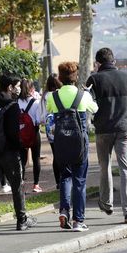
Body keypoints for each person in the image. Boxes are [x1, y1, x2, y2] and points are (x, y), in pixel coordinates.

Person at [86, 48, 127, 224]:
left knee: (105, 166)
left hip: (103, 129)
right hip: (124, 129)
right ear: (113, 61)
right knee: (125, 168)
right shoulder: (126, 78)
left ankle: (107, 203)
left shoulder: (94, 79)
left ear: (98, 63)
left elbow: (88, 104)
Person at [0, 74, 37, 235]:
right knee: (17, 186)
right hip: (9, 152)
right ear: (10, 87)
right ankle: (21, 219)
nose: (19, 88)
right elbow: (13, 133)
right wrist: (20, 148)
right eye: (17, 86)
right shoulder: (12, 105)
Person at [47, 62, 98, 232]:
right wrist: (89, 94)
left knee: (65, 176)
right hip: (79, 142)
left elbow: (48, 112)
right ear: (76, 77)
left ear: (60, 78)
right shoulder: (83, 95)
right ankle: (78, 220)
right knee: (80, 180)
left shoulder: (51, 97)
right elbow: (95, 109)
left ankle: (63, 210)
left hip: (61, 142)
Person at [18, 79, 43, 192]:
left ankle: (21, 183)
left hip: (21, 133)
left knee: (22, 160)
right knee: (36, 158)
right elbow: (38, 120)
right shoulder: (36, 102)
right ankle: (36, 184)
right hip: (34, 132)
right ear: (32, 89)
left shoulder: (16, 102)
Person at [40, 73, 63, 189]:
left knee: (55, 154)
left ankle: (58, 181)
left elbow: (42, 115)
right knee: (63, 153)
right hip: (60, 124)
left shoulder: (44, 96)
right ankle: (64, 179)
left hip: (49, 127)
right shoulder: (58, 94)